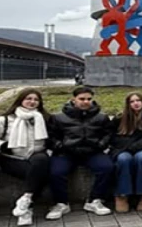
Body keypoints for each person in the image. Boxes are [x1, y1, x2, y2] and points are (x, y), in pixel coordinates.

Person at [0, 88, 51, 227]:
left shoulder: (44, 118)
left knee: (40, 163)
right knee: (40, 175)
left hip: (37, 156)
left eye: (36, 100)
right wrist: (2, 146)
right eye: (28, 99)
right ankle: (27, 207)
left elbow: (52, 138)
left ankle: (26, 202)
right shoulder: (4, 120)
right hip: (11, 158)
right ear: (20, 100)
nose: (32, 102)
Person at [47, 86, 113, 219]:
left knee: (107, 168)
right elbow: (51, 136)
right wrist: (60, 146)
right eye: (82, 99)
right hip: (66, 152)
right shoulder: (59, 117)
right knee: (56, 172)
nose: (85, 102)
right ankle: (61, 203)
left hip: (92, 151)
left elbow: (108, 134)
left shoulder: (101, 117)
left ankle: (95, 200)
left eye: (89, 99)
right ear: (73, 100)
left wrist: (100, 145)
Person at [111, 92, 142, 213]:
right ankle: (122, 194)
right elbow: (113, 137)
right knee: (123, 159)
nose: (135, 103)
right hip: (123, 149)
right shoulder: (120, 118)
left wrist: (134, 147)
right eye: (132, 101)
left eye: (138, 100)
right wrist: (127, 147)